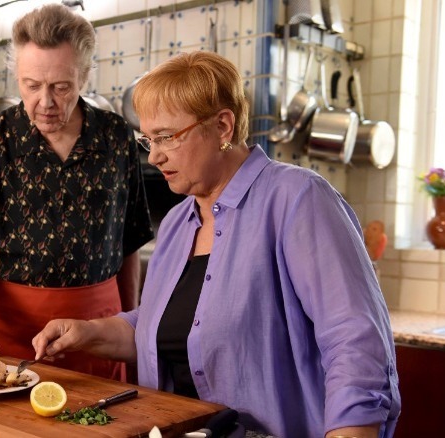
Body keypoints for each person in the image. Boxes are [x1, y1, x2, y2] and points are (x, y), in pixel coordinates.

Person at [32, 51, 401, 436]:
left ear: (223, 127)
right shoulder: (178, 221)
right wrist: (88, 332)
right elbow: (168, 324)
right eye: (148, 139)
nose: (154, 156)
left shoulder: (297, 198)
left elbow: (355, 340)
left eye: (166, 137)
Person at [0, 4, 153, 382]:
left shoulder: (117, 137)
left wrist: (134, 330)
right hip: (7, 341)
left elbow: (130, 242)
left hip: (98, 336)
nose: (45, 102)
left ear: (84, 76)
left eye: (61, 86)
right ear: (16, 76)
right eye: (31, 85)